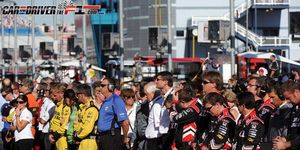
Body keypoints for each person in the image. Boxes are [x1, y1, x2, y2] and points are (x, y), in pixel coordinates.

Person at [97, 78, 129, 150]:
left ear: (110, 87)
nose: (100, 87)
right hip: (103, 137)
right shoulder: (106, 101)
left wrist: (125, 138)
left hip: (111, 137)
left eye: (102, 85)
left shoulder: (116, 100)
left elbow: (125, 122)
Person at [273, 81, 300, 150]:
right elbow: (294, 132)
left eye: (288, 98)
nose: (287, 101)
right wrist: (285, 139)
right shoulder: (295, 108)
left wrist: (286, 144)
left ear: (296, 92)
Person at [133, 82, 159, 150]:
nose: (145, 96)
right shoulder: (141, 106)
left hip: (153, 141)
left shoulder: (159, 105)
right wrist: (133, 141)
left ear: (153, 93)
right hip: (141, 143)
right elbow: (136, 124)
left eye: (146, 94)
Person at [266, 83, 292, 149]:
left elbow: (286, 133)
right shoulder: (276, 110)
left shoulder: (288, 111)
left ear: (281, 96)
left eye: (272, 97)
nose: (271, 101)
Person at [74, 84, 98, 150]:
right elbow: (77, 123)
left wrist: (77, 136)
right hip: (81, 142)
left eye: (77, 94)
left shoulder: (91, 109)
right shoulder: (82, 108)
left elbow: (87, 128)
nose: (76, 97)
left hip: (89, 143)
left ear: (82, 94)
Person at [49, 83, 70, 150]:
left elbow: (65, 125)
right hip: (55, 137)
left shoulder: (66, 106)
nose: (53, 97)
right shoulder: (58, 105)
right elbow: (55, 120)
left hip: (62, 138)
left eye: (55, 95)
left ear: (62, 94)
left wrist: (54, 135)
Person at [37, 83, 55, 150]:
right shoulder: (42, 101)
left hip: (47, 131)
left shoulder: (49, 103)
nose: (37, 92)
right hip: (42, 130)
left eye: (38, 90)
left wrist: (39, 119)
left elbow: (43, 120)